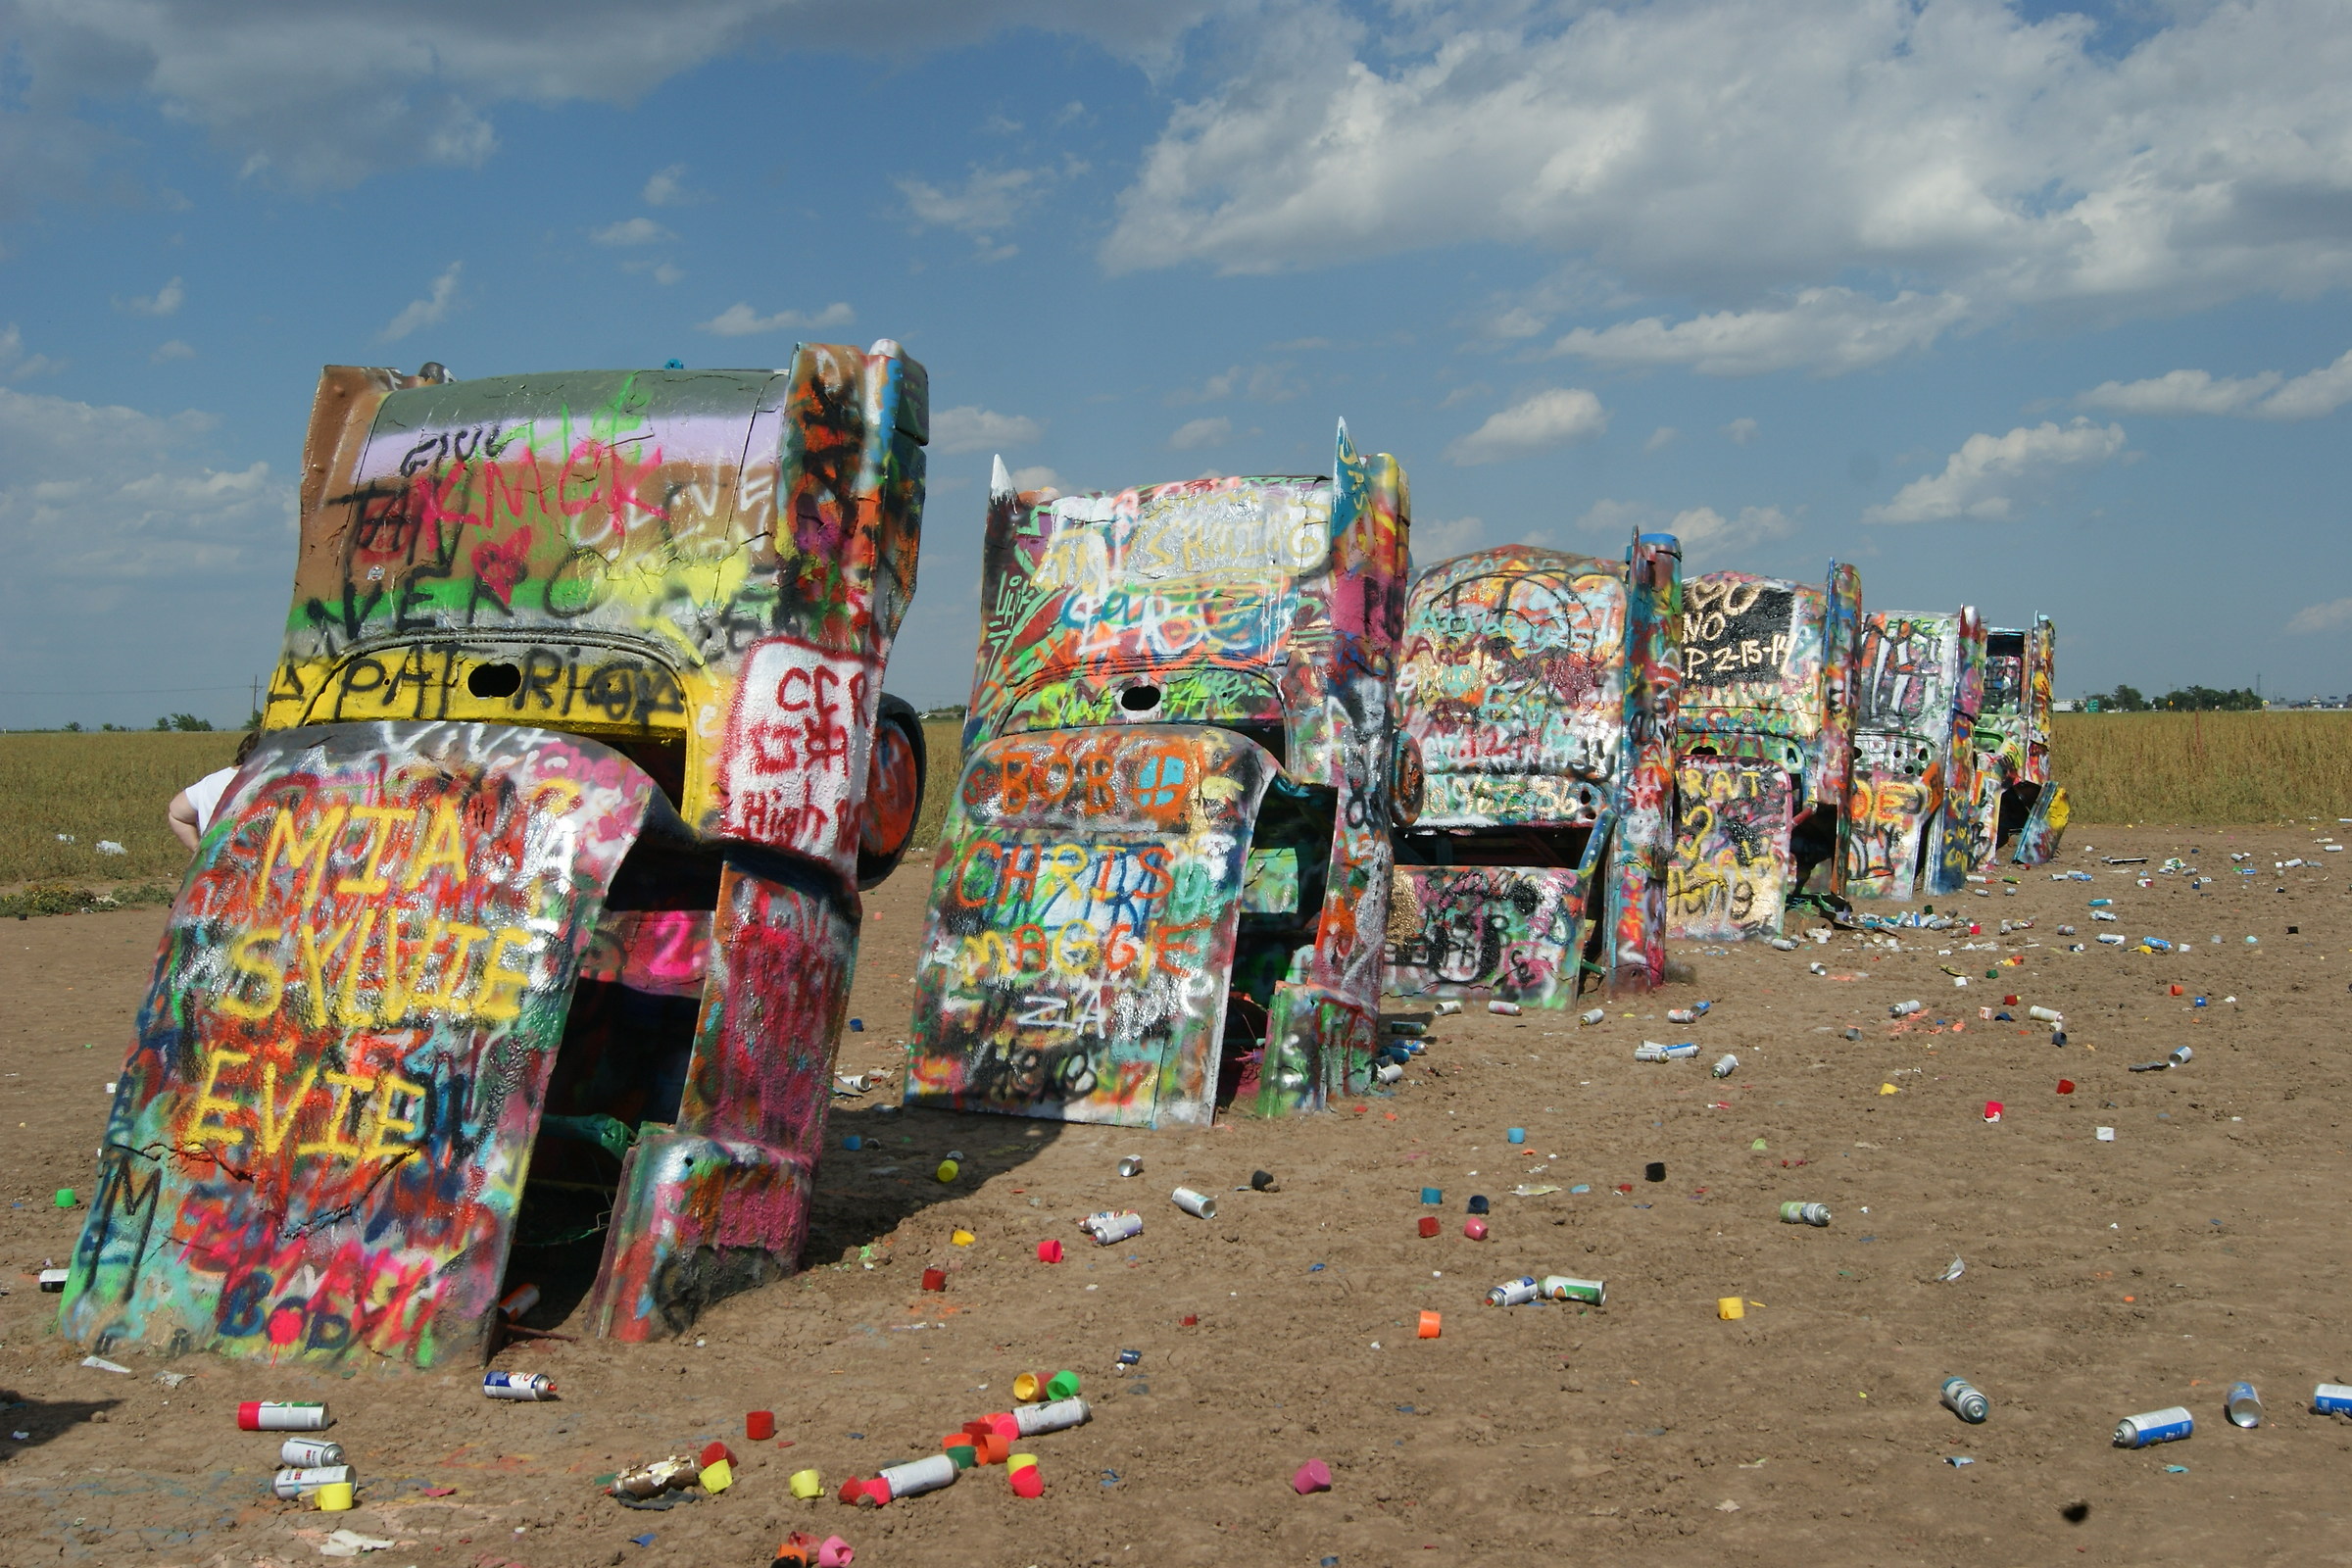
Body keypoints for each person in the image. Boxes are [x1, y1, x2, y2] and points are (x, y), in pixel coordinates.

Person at [168, 730, 261, 852]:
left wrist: (197, 850)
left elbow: (176, 813)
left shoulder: (211, 782)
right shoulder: (275, 780)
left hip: (212, 861)